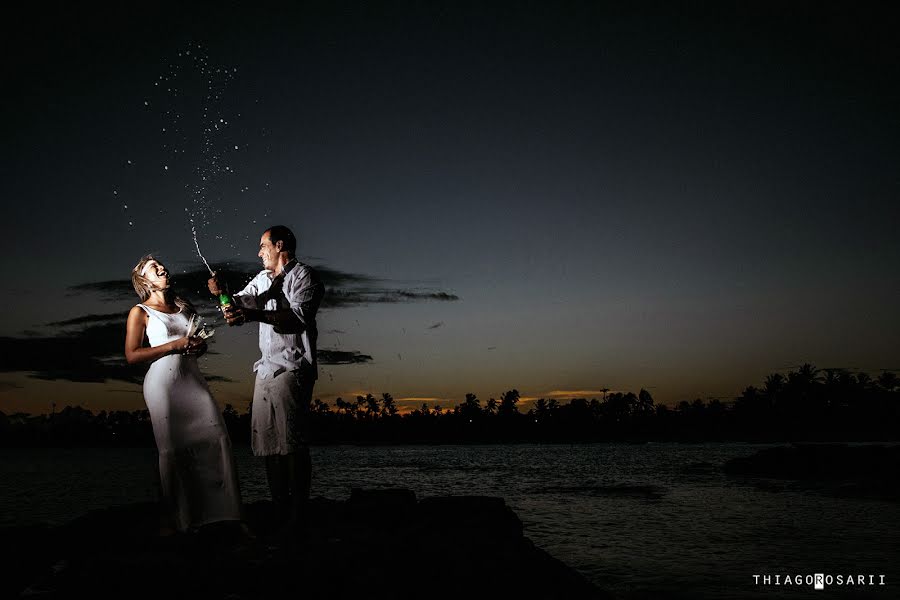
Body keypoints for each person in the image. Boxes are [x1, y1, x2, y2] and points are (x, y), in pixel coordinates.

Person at [207, 225, 325, 536]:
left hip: (292, 368)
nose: (259, 252)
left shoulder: (304, 277)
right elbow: (236, 306)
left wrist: (251, 315)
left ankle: (299, 515)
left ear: (280, 245)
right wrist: (220, 295)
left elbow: (298, 318)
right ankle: (278, 510)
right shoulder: (261, 280)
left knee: (292, 446)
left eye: (263, 245)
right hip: (265, 370)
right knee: (269, 445)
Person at [125, 255, 247, 539]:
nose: (161, 267)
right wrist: (175, 344)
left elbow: (196, 342)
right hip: (163, 384)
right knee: (172, 450)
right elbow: (132, 355)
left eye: (161, 264)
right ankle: (175, 520)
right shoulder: (140, 311)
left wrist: (197, 347)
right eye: (153, 267)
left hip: (192, 379)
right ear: (145, 280)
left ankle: (228, 515)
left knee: (218, 438)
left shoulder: (183, 306)